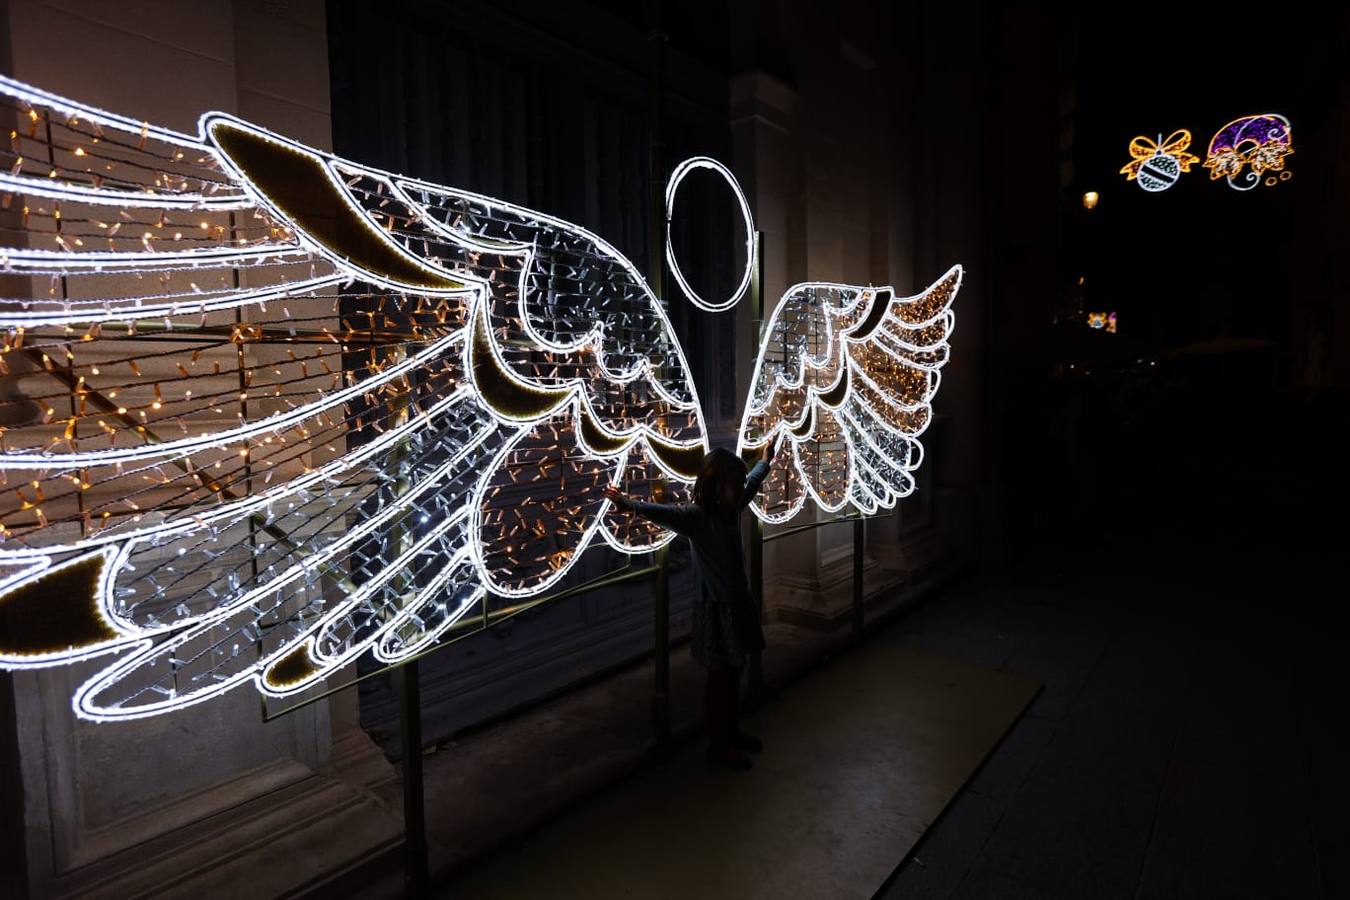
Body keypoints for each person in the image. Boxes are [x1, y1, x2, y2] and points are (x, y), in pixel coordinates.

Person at [603, 440, 777, 771]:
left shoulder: (731, 508)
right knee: (719, 676)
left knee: (734, 670)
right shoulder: (698, 518)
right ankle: (718, 744)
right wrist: (629, 505)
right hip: (716, 607)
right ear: (717, 485)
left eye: (739, 484)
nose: (740, 489)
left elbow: (753, 482)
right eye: (734, 484)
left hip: (736, 603)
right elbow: (665, 514)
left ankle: (730, 732)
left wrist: (764, 461)